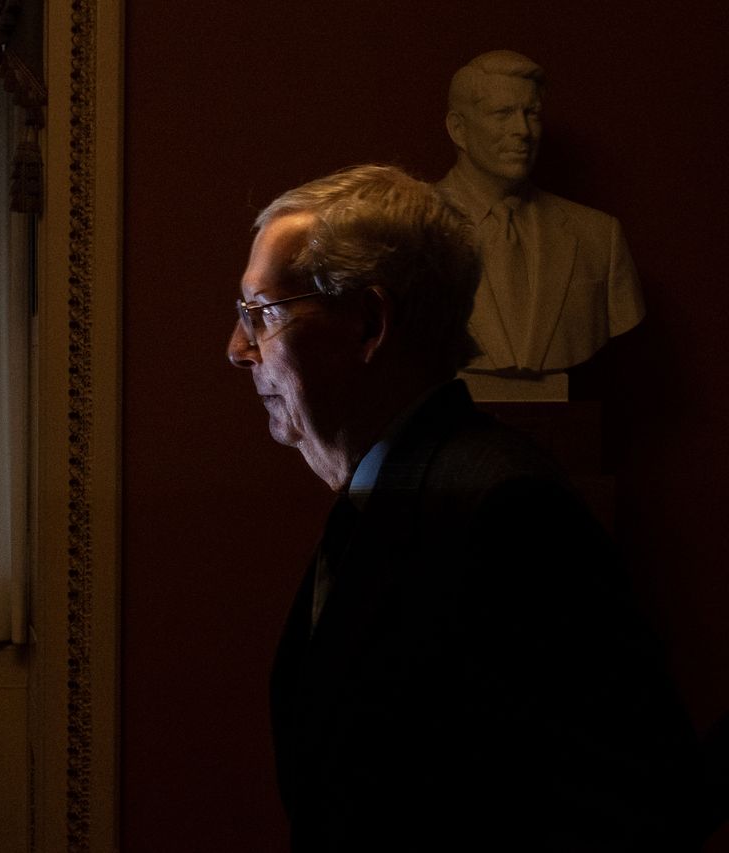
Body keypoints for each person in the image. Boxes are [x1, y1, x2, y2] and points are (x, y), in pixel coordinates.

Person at [227, 165, 706, 850]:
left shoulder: (507, 512)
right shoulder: (380, 495)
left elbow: (631, 807)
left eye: (262, 313)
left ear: (369, 323)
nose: (238, 349)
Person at [438, 50, 645, 379]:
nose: (522, 130)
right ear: (459, 129)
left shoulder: (598, 236)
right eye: (503, 113)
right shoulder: (407, 233)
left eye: (531, 113)